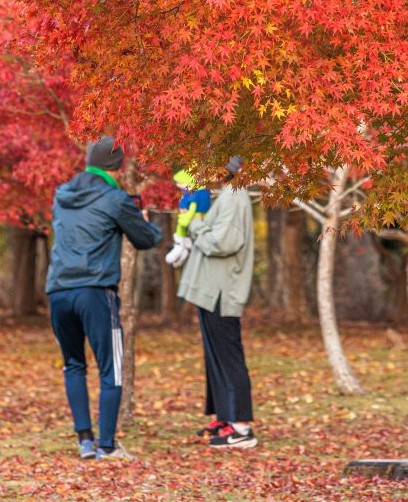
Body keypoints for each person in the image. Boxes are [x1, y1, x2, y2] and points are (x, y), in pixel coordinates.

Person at [46, 135, 162, 460]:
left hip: (58, 290)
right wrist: (145, 220)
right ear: (119, 166)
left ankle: (85, 440)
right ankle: (107, 446)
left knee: (73, 365)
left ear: (87, 161)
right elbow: (145, 239)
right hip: (96, 291)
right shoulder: (115, 198)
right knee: (112, 368)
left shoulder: (61, 194)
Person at [177, 155, 257, 450]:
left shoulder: (235, 197)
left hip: (223, 291)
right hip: (211, 289)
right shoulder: (226, 195)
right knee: (215, 357)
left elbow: (223, 242)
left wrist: (195, 225)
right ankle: (224, 417)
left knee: (228, 355)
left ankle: (242, 428)